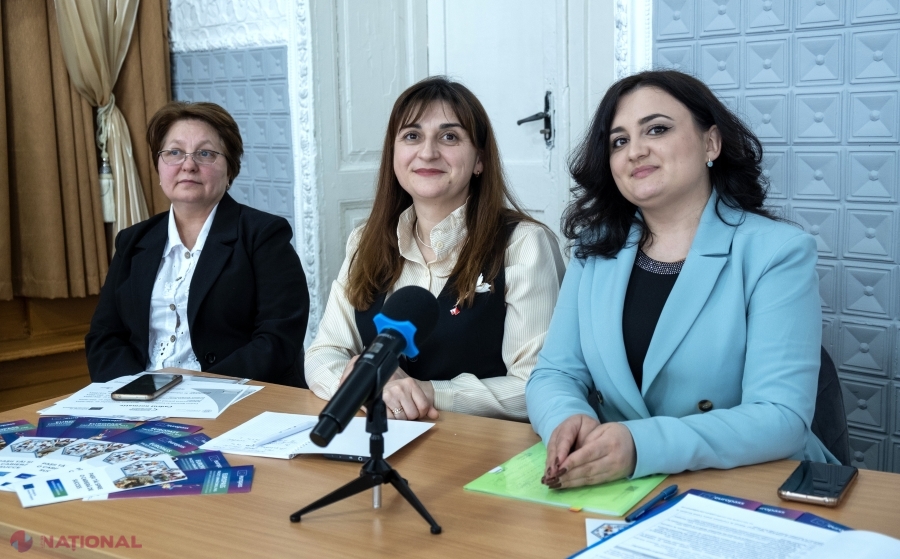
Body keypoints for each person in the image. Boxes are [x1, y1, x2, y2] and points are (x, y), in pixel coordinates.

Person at [528, 70, 837, 489]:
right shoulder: (594, 250)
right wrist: (567, 418)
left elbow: (781, 418)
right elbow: (554, 374)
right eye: (619, 141)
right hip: (617, 485)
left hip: (749, 484)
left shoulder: (778, 252)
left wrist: (640, 445)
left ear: (711, 143)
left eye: (656, 129)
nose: (635, 151)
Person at [306, 76, 563, 421]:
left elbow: (536, 385)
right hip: (382, 436)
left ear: (479, 160)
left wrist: (425, 392)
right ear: (394, 154)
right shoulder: (364, 240)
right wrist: (360, 383)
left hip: (479, 444)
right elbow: (324, 352)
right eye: (412, 136)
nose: (427, 152)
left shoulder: (524, 245)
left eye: (449, 137)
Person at [85, 101, 309, 386]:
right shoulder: (133, 241)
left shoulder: (264, 235)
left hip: (235, 395)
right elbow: (104, 336)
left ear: (230, 170)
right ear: (158, 166)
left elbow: (278, 338)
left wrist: (201, 389)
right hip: (142, 397)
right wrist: (137, 390)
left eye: (205, 153)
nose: (188, 165)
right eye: (174, 152)